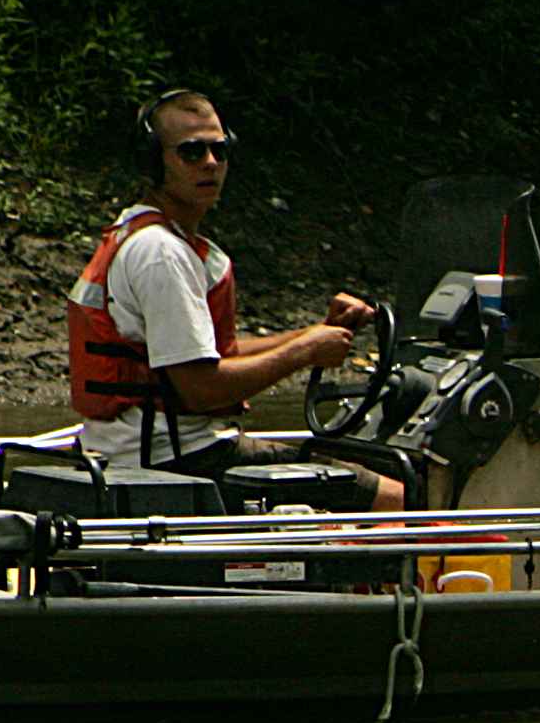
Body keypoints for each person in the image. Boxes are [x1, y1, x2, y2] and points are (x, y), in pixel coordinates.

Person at [67, 89, 401, 509]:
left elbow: (207, 356)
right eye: (191, 152)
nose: (210, 163)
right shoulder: (161, 253)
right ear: (154, 162)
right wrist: (302, 353)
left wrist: (315, 334)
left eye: (219, 150)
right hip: (177, 463)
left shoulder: (151, 238)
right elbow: (201, 390)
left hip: (158, 452)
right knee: (402, 495)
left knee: (358, 467)